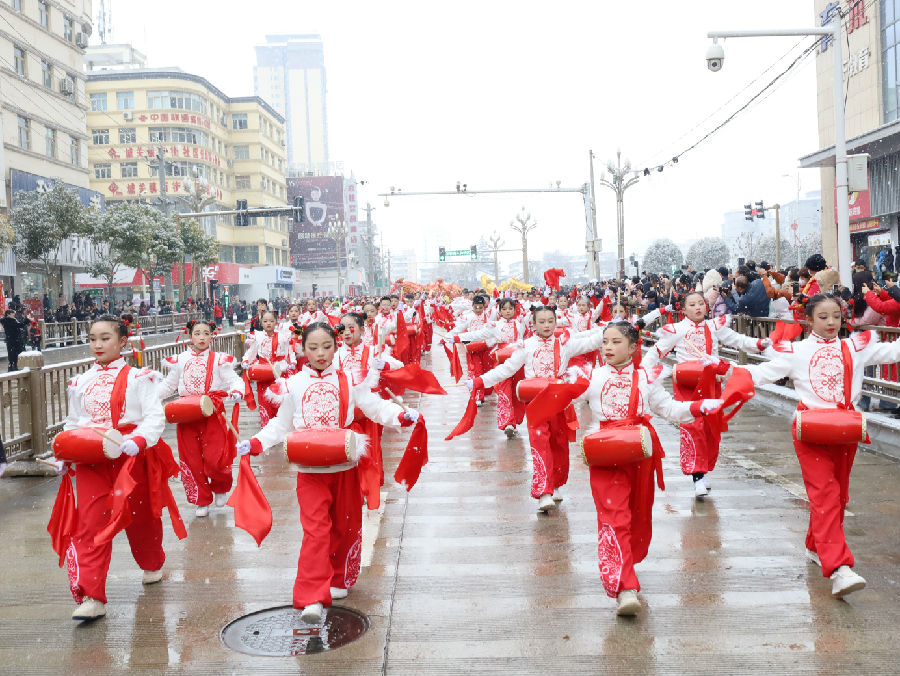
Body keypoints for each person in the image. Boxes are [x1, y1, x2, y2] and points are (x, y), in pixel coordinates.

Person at [237, 322, 419, 624]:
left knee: (345, 526)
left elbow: (374, 406)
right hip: (309, 471)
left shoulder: (350, 379)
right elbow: (281, 424)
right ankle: (311, 597)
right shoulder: (293, 384)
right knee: (315, 531)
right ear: (303, 350)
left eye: (326, 346)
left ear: (336, 347)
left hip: (344, 466)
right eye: (313, 347)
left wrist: (400, 415)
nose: (320, 353)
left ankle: (338, 576)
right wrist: (256, 443)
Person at [741, 294, 900, 598]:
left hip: (845, 430)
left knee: (837, 496)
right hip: (810, 431)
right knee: (825, 495)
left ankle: (815, 546)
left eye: (836, 316)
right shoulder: (797, 351)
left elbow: (893, 351)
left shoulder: (855, 347)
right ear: (809, 320)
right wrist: (725, 370)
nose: (831, 323)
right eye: (823, 317)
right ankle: (839, 568)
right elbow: (761, 373)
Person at [54, 315, 184, 621]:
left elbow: (154, 416)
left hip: (131, 456)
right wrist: (65, 452)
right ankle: (92, 596)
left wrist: (139, 439)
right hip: (92, 460)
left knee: (141, 517)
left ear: (122, 342)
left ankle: (152, 562)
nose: (97, 345)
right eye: (92, 339)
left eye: (105, 338)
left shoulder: (140, 378)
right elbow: (74, 423)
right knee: (90, 523)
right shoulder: (80, 382)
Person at [467, 306, 606, 512]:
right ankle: (544, 492)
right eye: (542, 321)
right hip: (535, 402)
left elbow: (590, 342)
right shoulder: (526, 346)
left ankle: (555, 484)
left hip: (559, 401)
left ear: (556, 322)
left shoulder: (564, 344)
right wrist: (480, 381)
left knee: (559, 444)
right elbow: (507, 369)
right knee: (540, 445)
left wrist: (613, 328)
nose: (547, 325)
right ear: (533, 324)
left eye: (550, 321)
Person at [642, 292, 767, 497]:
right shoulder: (678, 329)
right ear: (684, 309)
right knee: (693, 427)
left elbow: (737, 340)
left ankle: (704, 469)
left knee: (710, 428)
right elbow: (656, 352)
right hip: (688, 385)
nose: (698, 307)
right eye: (692, 304)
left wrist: (759, 344)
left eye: (701, 303)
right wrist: (642, 372)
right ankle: (697, 475)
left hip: (711, 383)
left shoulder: (714, 326)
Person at [158, 320, 244, 517]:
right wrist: (150, 398)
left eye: (206, 333)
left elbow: (234, 380)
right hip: (186, 414)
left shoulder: (219, 359)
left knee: (215, 457)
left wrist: (237, 390)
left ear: (212, 336)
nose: (202, 337)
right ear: (190, 336)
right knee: (191, 460)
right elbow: (169, 385)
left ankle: (220, 486)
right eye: (197, 333)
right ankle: (201, 500)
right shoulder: (180, 360)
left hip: (212, 413)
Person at [242, 310, 296, 428]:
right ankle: (266, 426)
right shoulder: (258, 336)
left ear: (276, 322)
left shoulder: (283, 336)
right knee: (264, 399)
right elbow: (252, 352)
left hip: (279, 370)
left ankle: (281, 426)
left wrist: (292, 362)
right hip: (263, 371)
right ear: (261, 323)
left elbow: (289, 351)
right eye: (265, 321)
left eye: (271, 321)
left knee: (280, 399)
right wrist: (246, 361)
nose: (268, 323)